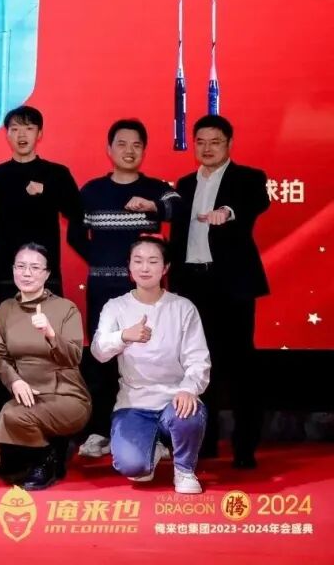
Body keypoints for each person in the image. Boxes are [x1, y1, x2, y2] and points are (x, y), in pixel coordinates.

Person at [75, 119, 180, 459]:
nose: (129, 151)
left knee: (152, 358)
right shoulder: (92, 191)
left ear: (144, 150)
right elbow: (75, 234)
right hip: (103, 287)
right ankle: (99, 432)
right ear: (109, 149)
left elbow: (181, 207)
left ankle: (158, 434)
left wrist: (154, 207)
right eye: (121, 144)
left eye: (136, 145)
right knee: (102, 360)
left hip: (148, 293)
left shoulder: (156, 189)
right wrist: (101, 260)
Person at [168, 115, 269, 469]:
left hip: (231, 285)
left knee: (240, 366)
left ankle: (245, 447)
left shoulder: (248, 178)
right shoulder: (183, 184)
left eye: (215, 142)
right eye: (201, 142)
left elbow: (256, 202)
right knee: (197, 363)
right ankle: (204, 442)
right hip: (191, 285)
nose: (207, 148)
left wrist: (227, 211)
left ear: (229, 144)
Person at [92, 237, 211, 494]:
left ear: (165, 268)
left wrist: (188, 389)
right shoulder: (115, 307)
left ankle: (184, 469)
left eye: (153, 261)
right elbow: (99, 351)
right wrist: (124, 336)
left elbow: (198, 359)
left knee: (188, 413)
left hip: (175, 397)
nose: (145, 268)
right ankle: (152, 447)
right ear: (129, 267)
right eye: (138, 261)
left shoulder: (183, 307)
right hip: (134, 402)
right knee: (133, 468)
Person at [0, 243, 90, 490]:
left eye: (35, 268)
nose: (26, 273)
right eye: (21, 266)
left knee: (12, 414)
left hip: (65, 395)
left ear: (46, 274)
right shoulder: (6, 309)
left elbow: (74, 357)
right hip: (28, 395)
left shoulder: (65, 308)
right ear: (13, 270)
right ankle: (55, 447)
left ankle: (49, 457)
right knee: (7, 467)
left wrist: (51, 333)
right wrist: (15, 381)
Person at [0, 106, 84, 321]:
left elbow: (77, 211)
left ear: (39, 133)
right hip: (5, 275)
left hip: (45, 274)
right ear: (7, 134)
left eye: (28, 128)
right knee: (5, 336)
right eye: (15, 129)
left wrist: (47, 191)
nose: (22, 135)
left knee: (47, 336)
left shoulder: (57, 174)